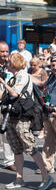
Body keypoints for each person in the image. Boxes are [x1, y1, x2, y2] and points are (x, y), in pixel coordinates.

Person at [0, 53, 53, 190]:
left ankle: (46, 177)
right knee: (17, 149)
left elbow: (14, 94)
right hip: (12, 115)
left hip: (22, 116)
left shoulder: (23, 75)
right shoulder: (13, 76)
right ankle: (19, 179)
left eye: (9, 61)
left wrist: (3, 83)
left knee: (30, 147)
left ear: (14, 63)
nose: (6, 63)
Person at [0, 41, 15, 171]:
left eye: (6, 51)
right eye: (2, 51)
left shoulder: (10, 66)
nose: (5, 54)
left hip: (6, 104)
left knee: (6, 132)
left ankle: (9, 161)